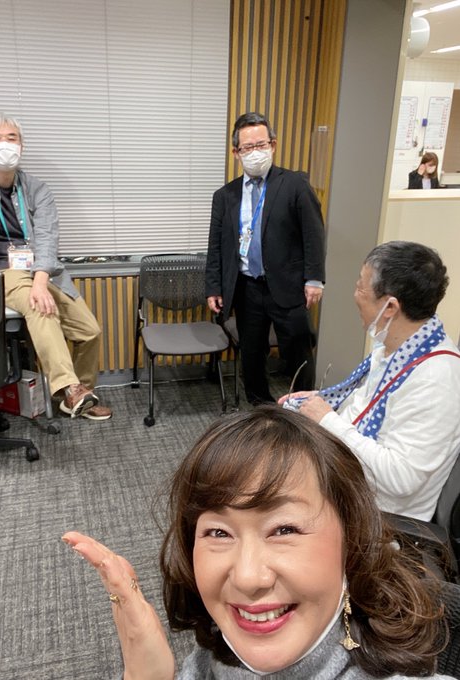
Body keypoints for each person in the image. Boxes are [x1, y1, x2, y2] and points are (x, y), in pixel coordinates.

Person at [63, 406, 453, 679]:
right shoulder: (205, 662)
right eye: (218, 532)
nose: (248, 578)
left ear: (351, 541)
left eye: (284, 530)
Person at [279, 240, 460, 521]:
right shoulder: (398, 347)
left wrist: (326, 420)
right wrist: (317, 403)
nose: (355, 296)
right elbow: (365, 407)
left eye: (360, 287)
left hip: (377, 516)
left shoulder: (436, 380)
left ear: (390, 307)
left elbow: (400, 478)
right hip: (350, 476)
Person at [0, 112, 111, 421]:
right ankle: (70, 388)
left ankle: (80, 395)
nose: (5, 144)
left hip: (41, 272)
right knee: (40, 307)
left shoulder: (37, 188)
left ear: (21, 146)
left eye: (12, 138)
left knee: (89, 330)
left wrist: (39, 280)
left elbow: (48, 238)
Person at [205, 112, 325, 405]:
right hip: (246, 287)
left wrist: (314, 278)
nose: (255, 152)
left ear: (273, 144)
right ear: (236, 152)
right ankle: (261, 408)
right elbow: (216, 246)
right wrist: (214, 287)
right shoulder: (225, 195)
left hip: (288, 285)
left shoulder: (294, 185)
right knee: (252, 353)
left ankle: (303, 407)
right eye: (248, 147)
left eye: (261, 144)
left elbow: (313, 234)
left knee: (298, 351)